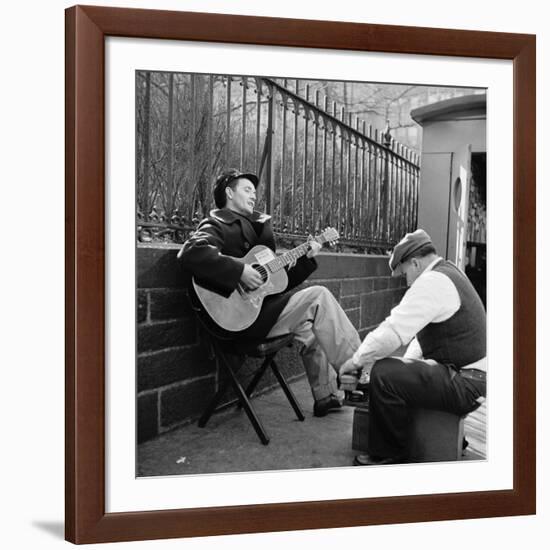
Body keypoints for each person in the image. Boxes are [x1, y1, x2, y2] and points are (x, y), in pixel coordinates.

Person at [178, 169, 361, 417]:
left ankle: (326, 395)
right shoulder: (216, 224)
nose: (254, 195)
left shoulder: (258, 230)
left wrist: (307, 257)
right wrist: (239, 271)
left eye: (255, 191)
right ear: (229, 193)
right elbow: (191, 253)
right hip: (238, 322)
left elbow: (277, 284)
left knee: (313, 322)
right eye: (247, 189)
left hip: (262, 314)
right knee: (318, 297)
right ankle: (361, 375)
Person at [340, 229, 487, 465]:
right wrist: (404, 370)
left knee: (384, 374)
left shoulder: (432, 282)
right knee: (395, 372)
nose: (405, 281)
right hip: (471, 379)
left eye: (404, 273)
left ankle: (389, 453)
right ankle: (444, 437)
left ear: (415, 263)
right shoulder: (448, 272)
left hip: (465, 384)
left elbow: (393, 330)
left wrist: (355, 361)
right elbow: (420, 339)